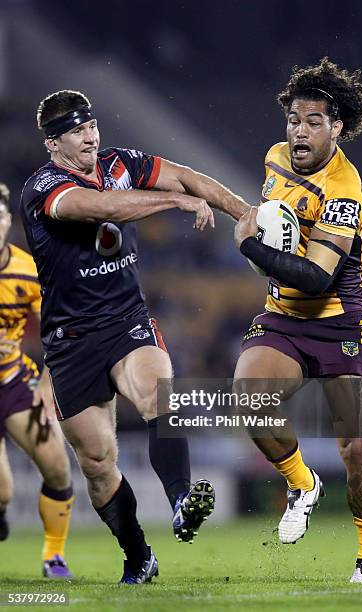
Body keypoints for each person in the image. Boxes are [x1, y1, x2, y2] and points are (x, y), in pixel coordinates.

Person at [20, 90, 249, 584]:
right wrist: (174, 200)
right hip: (70, 340)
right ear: (52, 144)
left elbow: (189, 175)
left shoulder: (121, 163)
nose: (90, 137)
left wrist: (242, 210)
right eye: (77, 132)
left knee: (158, 396)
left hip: (126, 321)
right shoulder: (43, 188)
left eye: (92, 126)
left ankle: (182, 498)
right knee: (99, 463)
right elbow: (102, 207)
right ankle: (138, 556)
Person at [233, 58, 362, 583]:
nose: (299, 130)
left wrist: (251, 245)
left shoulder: (345, 187)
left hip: (339, 324)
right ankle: (302, 484)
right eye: (294, 119)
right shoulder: (275, 158)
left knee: (358, 449)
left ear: (337, 128)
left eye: (313, 121)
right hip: (282, 319)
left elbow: (319, 278)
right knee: (248, 399)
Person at [0, 182, 74, 579]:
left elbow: (58, 330)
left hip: (13, 382)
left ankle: (54, 557)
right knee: (4, 493)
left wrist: (47, 381)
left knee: (58, 468)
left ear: (8, 222)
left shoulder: (28, 271)